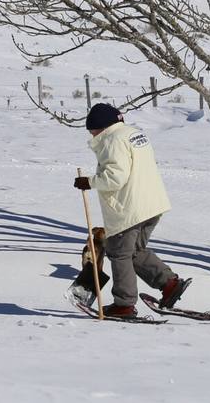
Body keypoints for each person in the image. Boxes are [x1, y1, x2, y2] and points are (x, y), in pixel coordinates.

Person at [73, 103, 188, 318]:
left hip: (129, 208)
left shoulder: (112, 140)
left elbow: (116, 177)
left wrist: (89, 182)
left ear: (100, 127)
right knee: (135, 251)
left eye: (92, 129)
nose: (91, 134)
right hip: (152, 204)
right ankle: (169, 284)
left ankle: (123, 305)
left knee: (119, 253)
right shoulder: (134, 134)